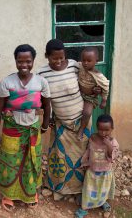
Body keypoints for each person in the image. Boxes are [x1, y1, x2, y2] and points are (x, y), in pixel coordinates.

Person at [37, 39, 100, 201]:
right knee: (60, 157)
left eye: (61, 58)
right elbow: (44, 99)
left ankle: (83, 189)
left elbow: (91, 72)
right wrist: (48, 117)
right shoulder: (42, 74)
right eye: (54, 58)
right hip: (61, 123)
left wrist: (95, 89)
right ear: (47, 56)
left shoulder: (74, 65)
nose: (58, 61)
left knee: (83, 155)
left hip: (82, 120)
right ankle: (61, 188)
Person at [0, 44, 51, 211]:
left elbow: (47, 106)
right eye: (20, 61)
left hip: (32, 129)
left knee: (32, 162)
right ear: (15, 61)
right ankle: (9, 195)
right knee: (10, 162)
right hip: (12, 129)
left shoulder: (41, 82)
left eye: (28, 61)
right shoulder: (7, 82)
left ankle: (30, 193)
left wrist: (45, 125)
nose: (24, 65)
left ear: (33, 61)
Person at [75, 114, 119, 218]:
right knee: (89, 190)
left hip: (105, 172)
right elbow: (88, 151)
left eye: (107, 130)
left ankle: (102, 202)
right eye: (100, 130)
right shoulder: (93, 138)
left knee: (103, 190)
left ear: (112, 129)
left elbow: (111, 158)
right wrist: (84, 162)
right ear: (97, 128)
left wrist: (109, 146)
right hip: (92, 172)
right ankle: (84, 208)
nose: (103, 133)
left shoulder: (113, 142)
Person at [76, 47, 110, 140]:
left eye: (89, 60)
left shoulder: (98, 76)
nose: (85, 63)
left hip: (89, 97)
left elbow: (106, 87)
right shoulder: (80, 66)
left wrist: (104, 100)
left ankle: (81, 130)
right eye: (84, 60)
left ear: (96, 61)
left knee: (87, 112)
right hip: (78, 94)